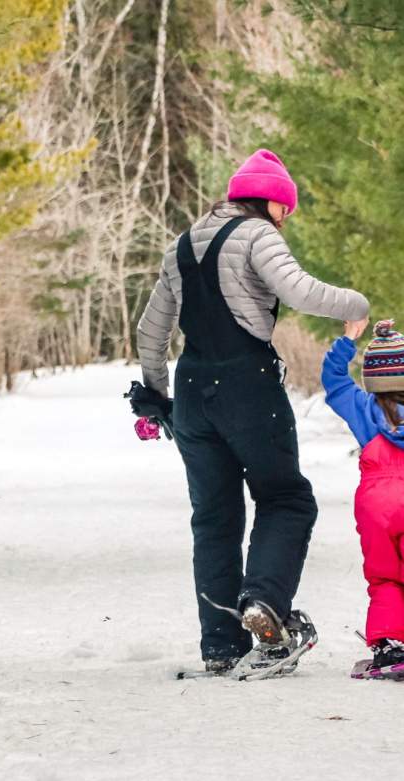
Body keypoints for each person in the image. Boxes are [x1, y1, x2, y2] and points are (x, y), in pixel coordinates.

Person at [137, 148, 370, 675]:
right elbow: (299, 290)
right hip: (247, 384)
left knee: (214, 518)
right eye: (285, 207)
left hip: (192, 390)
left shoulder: (181, 245)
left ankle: (221, 647)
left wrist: (156, 396)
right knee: (287, 498)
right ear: (269, 201)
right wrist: (355, 305)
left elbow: (151, 333)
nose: (286, 218)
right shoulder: (258, 234)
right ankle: (263, 603)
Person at [322, 318, 404, 674]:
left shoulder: (363, 409)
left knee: (385, 577)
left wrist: (348, 339)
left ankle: (390, 646)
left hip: (376, 505)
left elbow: (334, 381)